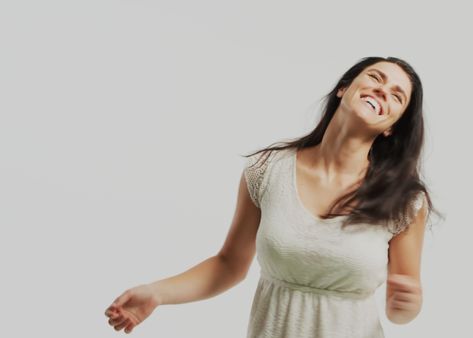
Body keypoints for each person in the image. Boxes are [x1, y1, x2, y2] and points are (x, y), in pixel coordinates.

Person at [104, 56, 441, 337]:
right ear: (344, 88)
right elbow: (228, 265)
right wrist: (157, 293)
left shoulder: (406, 202)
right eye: (375, 78)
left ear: (391, 126)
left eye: (397, 96)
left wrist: (406, 306)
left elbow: (403, 302)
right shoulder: (267, 170)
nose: (382, 90)